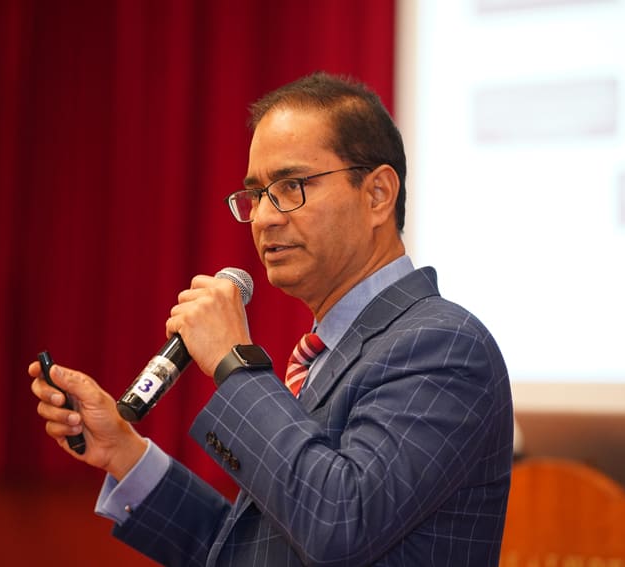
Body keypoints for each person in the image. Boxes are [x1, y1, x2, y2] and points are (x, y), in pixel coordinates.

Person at [30, 71, 513, 566]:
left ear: (377, 194)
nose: (263, 217)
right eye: (257, 194)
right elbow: (249, 552)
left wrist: (234, 361)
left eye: (290, 186)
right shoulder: (327, 354)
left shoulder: (444, 345)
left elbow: (338, 523)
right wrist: (125, 453)